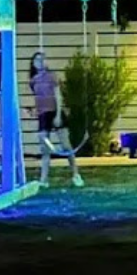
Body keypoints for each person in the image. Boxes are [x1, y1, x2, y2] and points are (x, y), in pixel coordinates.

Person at [28, 51, 83, 188]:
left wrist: (58, 114)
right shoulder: (33, 80)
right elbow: (39, 98)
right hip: (43, 115)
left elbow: (58, 96)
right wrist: (35, 111)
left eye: (42, 59)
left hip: (55, 112)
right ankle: (43, 179)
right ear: (33, 63)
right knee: (44, 148)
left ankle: (76, 174)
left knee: (66, 146)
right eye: (37, 60)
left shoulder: (52, 76)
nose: (40, 62)